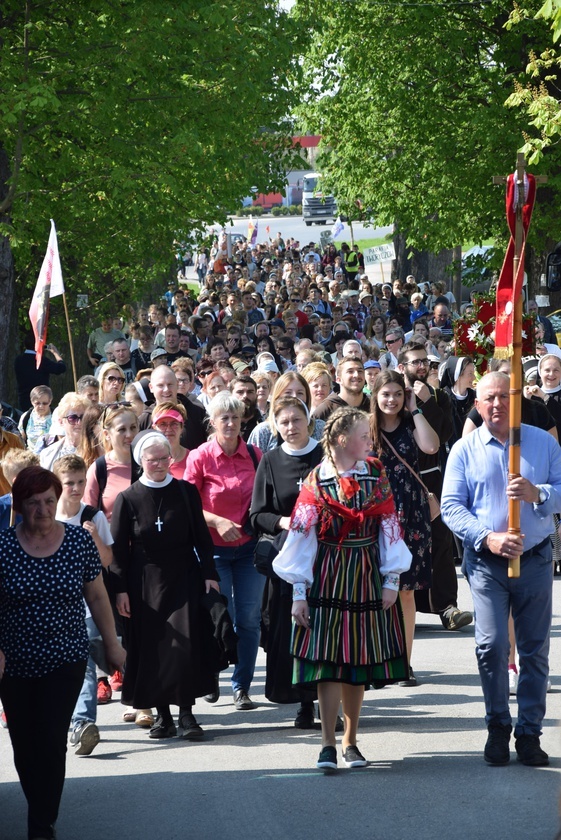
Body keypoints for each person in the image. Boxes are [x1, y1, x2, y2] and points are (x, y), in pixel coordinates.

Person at [272, 407, 412, 771]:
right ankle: (328, 744)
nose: (370, 440)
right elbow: (301, 538)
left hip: (365, 574)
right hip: (328, 574)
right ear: (340, 439)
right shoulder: (316, 481)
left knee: (359, 660)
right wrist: (299, 594)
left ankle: (352, 742)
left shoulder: (376, 475)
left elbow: (389, 527)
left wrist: (392, 580)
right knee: (328, 662)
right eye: (364, 435)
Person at [441, 372, 561, 767]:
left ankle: (529, 733)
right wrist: (488, 537)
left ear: (516, 401)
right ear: (477, 404)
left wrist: (538, 493)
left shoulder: (543, 442)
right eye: (489, 398)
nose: (497, 404)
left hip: (536, 557)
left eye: (504, 397)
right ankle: (497, 725)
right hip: (487, 562)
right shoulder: (464, 449)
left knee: (534, 650)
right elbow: (451, 506)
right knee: (491, 646)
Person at [0, 466, 125, 840]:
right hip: (15, 662)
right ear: (20, 506)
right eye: (34, 503)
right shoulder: (3, 546)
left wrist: (114, 644)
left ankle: (41, 823)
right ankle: (40, 806)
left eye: (49, 502)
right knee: (25, 742)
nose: (42, 509)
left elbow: (97, 595)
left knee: (52, 739)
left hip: (66, 658)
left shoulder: (77, 542)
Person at [111, 432, 220, 740]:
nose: (159, 464)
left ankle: (186, 714)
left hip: (184, 576)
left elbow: (201, 536)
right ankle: (163, 716)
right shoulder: (128, 498)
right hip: (143, 583)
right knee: (153, 649)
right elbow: (119, 549)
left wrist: (210, 573)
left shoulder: (185, 492)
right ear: (140, 461)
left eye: (164, 458)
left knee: (183, 646)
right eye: (152, 459)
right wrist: (120, 589)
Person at [185, 393, 264, 711]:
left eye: (235, 417)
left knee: (248, 620)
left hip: (248, 552)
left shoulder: (256, 455)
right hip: (213, 552)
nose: (230, 423)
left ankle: (241, 686)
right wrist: (216, 520)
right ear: (212, 422)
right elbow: (188, 506)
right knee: (220, 617)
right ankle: (213, 673)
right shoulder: (200, 457)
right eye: (223, 418)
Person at [250, 396, 323, 726]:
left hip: (326, 555)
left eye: (297, 420)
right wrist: (283, 522)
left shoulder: (325, 455)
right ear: (275, 426)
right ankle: (304, 702)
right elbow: (256, 515)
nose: (291, 427)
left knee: (323, 630)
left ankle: (327, 699)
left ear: (307, 420)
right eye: (284, 422)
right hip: (287, 557)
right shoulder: (270, 461)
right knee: (295, 631)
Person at [397, 342, 473, 632]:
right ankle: (404, 609)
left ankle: (447, 608)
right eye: (414, 362)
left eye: (424, 362)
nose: (421, 366)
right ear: (401, 366)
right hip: (400, 480)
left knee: (439, 542)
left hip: (431, 480)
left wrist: (427, 401)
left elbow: (445, 433)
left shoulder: (438, 396)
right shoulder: (391, 394)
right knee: (403, 544)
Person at [370, 371, 439, 686]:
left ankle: (404, 663)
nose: (391, 400)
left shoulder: (411, 422)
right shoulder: (366, 429)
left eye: (398, 393)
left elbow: (430, 447)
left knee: (406, 592)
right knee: (373, 591)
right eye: (385, 393)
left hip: (411, 514)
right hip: (376, 516)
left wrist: (415, 408)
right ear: (375, 395)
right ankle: (375, 660)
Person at [53, 455, 113, 755]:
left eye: (80, 482)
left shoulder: (94, 517)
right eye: (69, 483)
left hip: (88, 607)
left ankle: (82, 724)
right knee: (63, 670)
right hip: (54, 609)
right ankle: (67, 720)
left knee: (86, 667)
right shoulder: (48, 518)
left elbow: (108, 561)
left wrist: (93, 538)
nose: (76, 489)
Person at [248, 371, 325, 452]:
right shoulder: (263, 431)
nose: (294, 397)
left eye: (300, 393)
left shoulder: (320, 427)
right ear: (277, 397)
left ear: (307, 397)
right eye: (288, 393)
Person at [14, 333, 66, 411]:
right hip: (41, 400)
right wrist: (56, 353)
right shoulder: (41, 361)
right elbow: (61, 368)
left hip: (24, 399)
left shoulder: (18, 360)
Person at [39, 393, 89, 471]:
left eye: (83, 417)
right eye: (72, 418)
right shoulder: (47, 455)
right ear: (61, 422)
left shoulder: (98, 451)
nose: (79, 422)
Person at [438, 356, 476, 446]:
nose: (474, 377)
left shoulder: (475, 397)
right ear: (458, 375)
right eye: (470, 374)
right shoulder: (443, 398)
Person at [151, 401, 189, 478]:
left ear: (182, 427)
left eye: (174, 424)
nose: (168, 429)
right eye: (162, 424)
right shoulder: (148, 460)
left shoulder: (193, 459)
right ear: (154, 428)